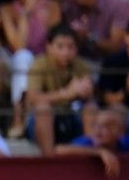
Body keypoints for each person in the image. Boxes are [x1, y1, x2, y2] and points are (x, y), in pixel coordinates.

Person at [26, 21, 94, 154]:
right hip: (42, 122)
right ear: (49, 46)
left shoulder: (81, 66)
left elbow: (88, 96)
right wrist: (66, 93)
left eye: (70, 47)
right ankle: (49, 158)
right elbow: (33, 98)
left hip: (72, 117)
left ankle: (90, 154)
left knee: (91, 107)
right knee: (43, 108)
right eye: (60, 46)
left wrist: (86, 92)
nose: (66, 52)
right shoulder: (38, 65)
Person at [58, 103, 129, 177]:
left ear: (121, 131)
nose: (98, 131)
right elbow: (58, 150)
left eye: (107, 126)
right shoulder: (87, 141)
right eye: (96, 125)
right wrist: (100, 152)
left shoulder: (127, 141)